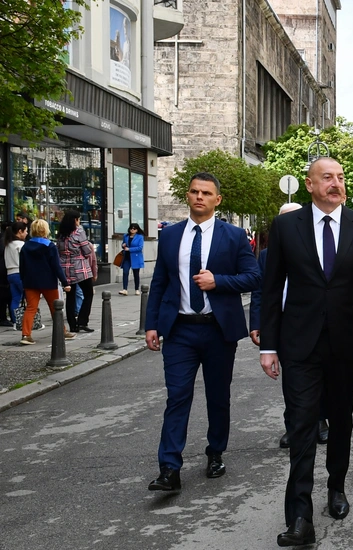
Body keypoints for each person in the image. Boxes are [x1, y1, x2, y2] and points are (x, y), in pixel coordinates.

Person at [259, 157, 353, 547]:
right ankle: (299, 515)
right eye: (327, 178)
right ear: (309, 184)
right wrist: (268, 345)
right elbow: (271, 290)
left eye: (340, 178)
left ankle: (336, 486)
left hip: (347, 343)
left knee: (341, 421)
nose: (336, 184)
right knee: (301, 425)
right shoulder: (287, 226)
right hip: (299, 344)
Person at [144, 172, 260, 493]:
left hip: (218, 331)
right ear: (187, 195)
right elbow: (159, 283)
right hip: (179, 330)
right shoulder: (170, 236)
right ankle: (169, 468)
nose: (199, 197)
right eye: (194, 191)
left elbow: (253, 277)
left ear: (217, 200)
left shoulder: (234, 236)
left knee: (217, 397)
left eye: (206, 193)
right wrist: (151, 324)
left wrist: (218, 281)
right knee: (177, 396)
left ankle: (215, 452)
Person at [250, 202, 331, 450]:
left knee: (319, 375)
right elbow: (262, 292)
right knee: (293, 380)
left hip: (311, 320)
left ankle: (319, 420)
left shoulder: (314, 248)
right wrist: (257, 324)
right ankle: (293, 426)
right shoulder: (266, 255)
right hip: (284, 322)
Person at [18, 220, 74, 344]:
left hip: (30, 281)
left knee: (31, 308)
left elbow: (22, 267)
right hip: (48, 281)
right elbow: (56, 266)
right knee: (55, 308)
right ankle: (62, 331)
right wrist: (65, 283)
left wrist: (23, 281)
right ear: (45, 230)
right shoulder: (50, 246)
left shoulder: (25, 246)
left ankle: (26, 335)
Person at [56, 210, 97, 333]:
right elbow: (87, 250)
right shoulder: (79, 232)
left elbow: (58, 250)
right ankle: (82, 321)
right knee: (88, 293)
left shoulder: (61, 234)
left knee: (70, 296)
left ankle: (73, 326)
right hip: (80, 268)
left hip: (65, 268)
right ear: (75, 220)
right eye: (78, 219)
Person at [4, 221, 28, 326]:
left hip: (10, 273)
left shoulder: (8, 244)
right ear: (20, 231)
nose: (27, 233)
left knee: (15, 298)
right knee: (28, 297)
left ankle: (16, 321)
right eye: (25, 231)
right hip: (20, 273)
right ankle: (28, 322)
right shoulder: (21, 245)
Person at [118, 223, 144, 296]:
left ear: (137, 230)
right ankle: (125, 289)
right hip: (127, 257)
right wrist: (123, 245)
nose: (132, 230)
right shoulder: (126, 236)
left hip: (135, 257)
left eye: (134, 228)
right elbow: (123, 244)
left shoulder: (140, 237)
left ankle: (136, 289)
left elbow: (140, 247)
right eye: (131, 228)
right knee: (125, 272)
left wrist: (130, 249)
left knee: (136, 274)